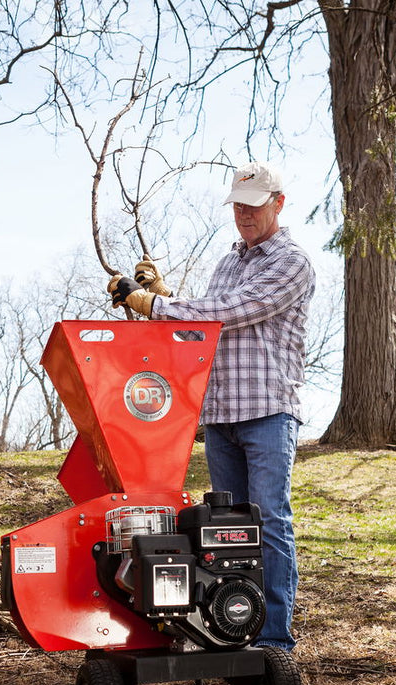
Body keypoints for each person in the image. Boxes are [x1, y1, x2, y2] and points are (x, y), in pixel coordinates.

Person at [105, 161, 315, 651]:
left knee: (267, 523)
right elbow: (204, 324)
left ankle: (273, 638)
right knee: (228, 532)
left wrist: (150, 306)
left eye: (254, 205)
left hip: (266, 411)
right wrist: (162, 296)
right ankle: (230, 626)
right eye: (238, 205)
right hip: (221, 415)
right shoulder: (229, 261)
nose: (244, 213)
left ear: (278, 203)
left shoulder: (291, 262)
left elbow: (232, 313)